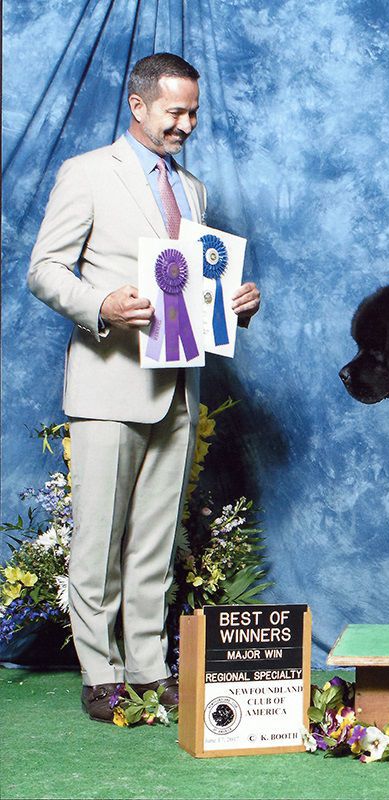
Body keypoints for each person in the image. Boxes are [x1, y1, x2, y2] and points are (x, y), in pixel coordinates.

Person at [27, 53, 261, 721]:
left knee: (157, 539)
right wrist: (101, 303)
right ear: (138, 106)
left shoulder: (193, 189)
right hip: (108, 383)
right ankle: (99, 672)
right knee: (98, 538)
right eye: (174, 112)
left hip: (179, 386)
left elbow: (194, 284)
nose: (186, 123)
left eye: (193, 112)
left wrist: (236, 301)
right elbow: (44, 270)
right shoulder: (87, 174)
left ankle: (148, 666)